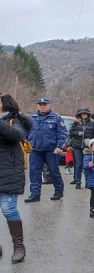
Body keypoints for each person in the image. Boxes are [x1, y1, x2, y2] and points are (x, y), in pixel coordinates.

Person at [0, 93, 33, 263]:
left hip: (9, 171)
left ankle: (19, 247)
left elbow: (16, 135)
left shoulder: (17, 120)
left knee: (8, 209)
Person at [25, 97, 67, 202]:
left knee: (53, 171)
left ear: (49, 105)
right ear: (37, 106)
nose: (42, 107)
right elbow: (26, 133)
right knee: (34, 172)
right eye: (40, 105)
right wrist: (26, 143)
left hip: (51, 150)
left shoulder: (56, 118)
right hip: (35, 149)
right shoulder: (32, 118)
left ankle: (58, 192)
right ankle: (35, 194)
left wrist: (59, 146)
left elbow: (63, 133)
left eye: (44, 105)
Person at [69, 107, 94, 189]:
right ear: (79, 115)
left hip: (88, 147)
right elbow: (71, 132)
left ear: (88, 114)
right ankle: (78, 182)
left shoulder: (93, 124)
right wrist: (77, 133)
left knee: (87, 165)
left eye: (85, 113)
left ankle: (88, 182)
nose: (84, 115)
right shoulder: (76, 123)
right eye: (82, 113)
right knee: (78, 164)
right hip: (77, 146)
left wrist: (92, 142)